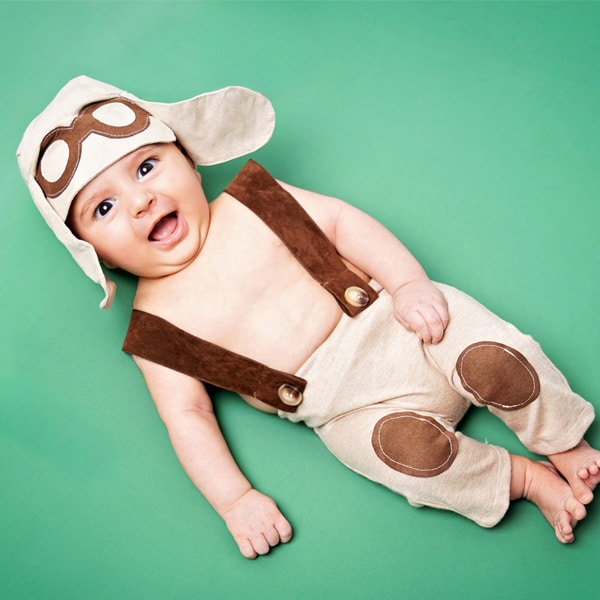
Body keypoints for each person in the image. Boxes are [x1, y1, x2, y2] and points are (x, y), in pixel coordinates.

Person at [18, 76, 600, 559]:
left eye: (146, 169)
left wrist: (408, 283)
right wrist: (234, 499)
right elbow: (188, 417)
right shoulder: (155, 328)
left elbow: (343, 224)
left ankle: (561, 439)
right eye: (105, 207)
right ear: (94, 252)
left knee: (495, 357)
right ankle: (520, 480)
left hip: (403, 326)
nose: (140, 201)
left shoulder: (252, 201)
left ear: (190, 163)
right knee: (404, 460)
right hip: (347, 409)